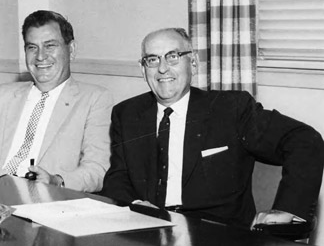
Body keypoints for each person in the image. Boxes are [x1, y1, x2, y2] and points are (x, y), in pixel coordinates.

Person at [100, 28, 324, 228]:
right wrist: (138, 205)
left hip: (218, 232)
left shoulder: (231, 109)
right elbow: (117, 178)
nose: (163, 69)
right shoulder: (127, 113)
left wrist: (287, 210)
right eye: (152, 60)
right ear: (143, 69)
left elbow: (305, 140)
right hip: (148, 228)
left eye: (173, 57)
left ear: (194, 63)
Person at [0, 10, 113, 192]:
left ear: (71, 50)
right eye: (32, 47)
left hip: (45, 203)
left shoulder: (95, 99)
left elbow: (97, 169)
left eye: (50, 46)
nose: (40, 56)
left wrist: (56, 181)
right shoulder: (1, 95)